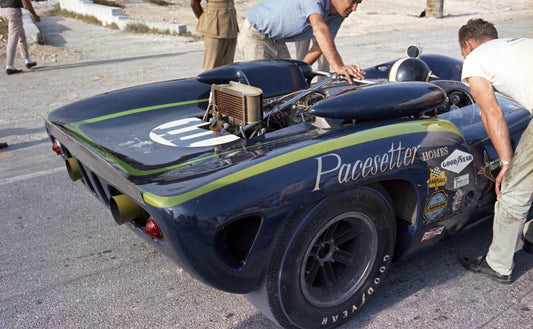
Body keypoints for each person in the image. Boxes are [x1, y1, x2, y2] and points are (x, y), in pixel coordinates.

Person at [457, 18, 533, 284]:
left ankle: (498, 264)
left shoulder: (475, 59)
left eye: (462, 52)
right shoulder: (520, 44)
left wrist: (506, 162)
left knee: (514, 189)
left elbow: (491, 111)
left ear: (468, 44)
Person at [238, 0, 365, 82]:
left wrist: (300, 70)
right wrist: (338, 66)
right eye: (352, 1)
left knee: (287, 80)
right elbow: (319, 29)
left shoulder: (339, 12)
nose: (354, 8)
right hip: (255, 32)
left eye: (358, 3)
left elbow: (320, 45)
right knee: (263, 85)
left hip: (276, 38)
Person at [190, 0, 238, 71]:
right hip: (214, 28)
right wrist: (206, 21)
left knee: (228, 67)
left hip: (230, 26)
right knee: (211, 67)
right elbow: (194, 4)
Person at [1, 0, 40, 75]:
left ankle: (27, 60)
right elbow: (26, 2)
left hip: (4, 10)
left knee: (21, 36)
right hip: (13, 11)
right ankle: (9, 66)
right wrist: (35, 15)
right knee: (13, 38)